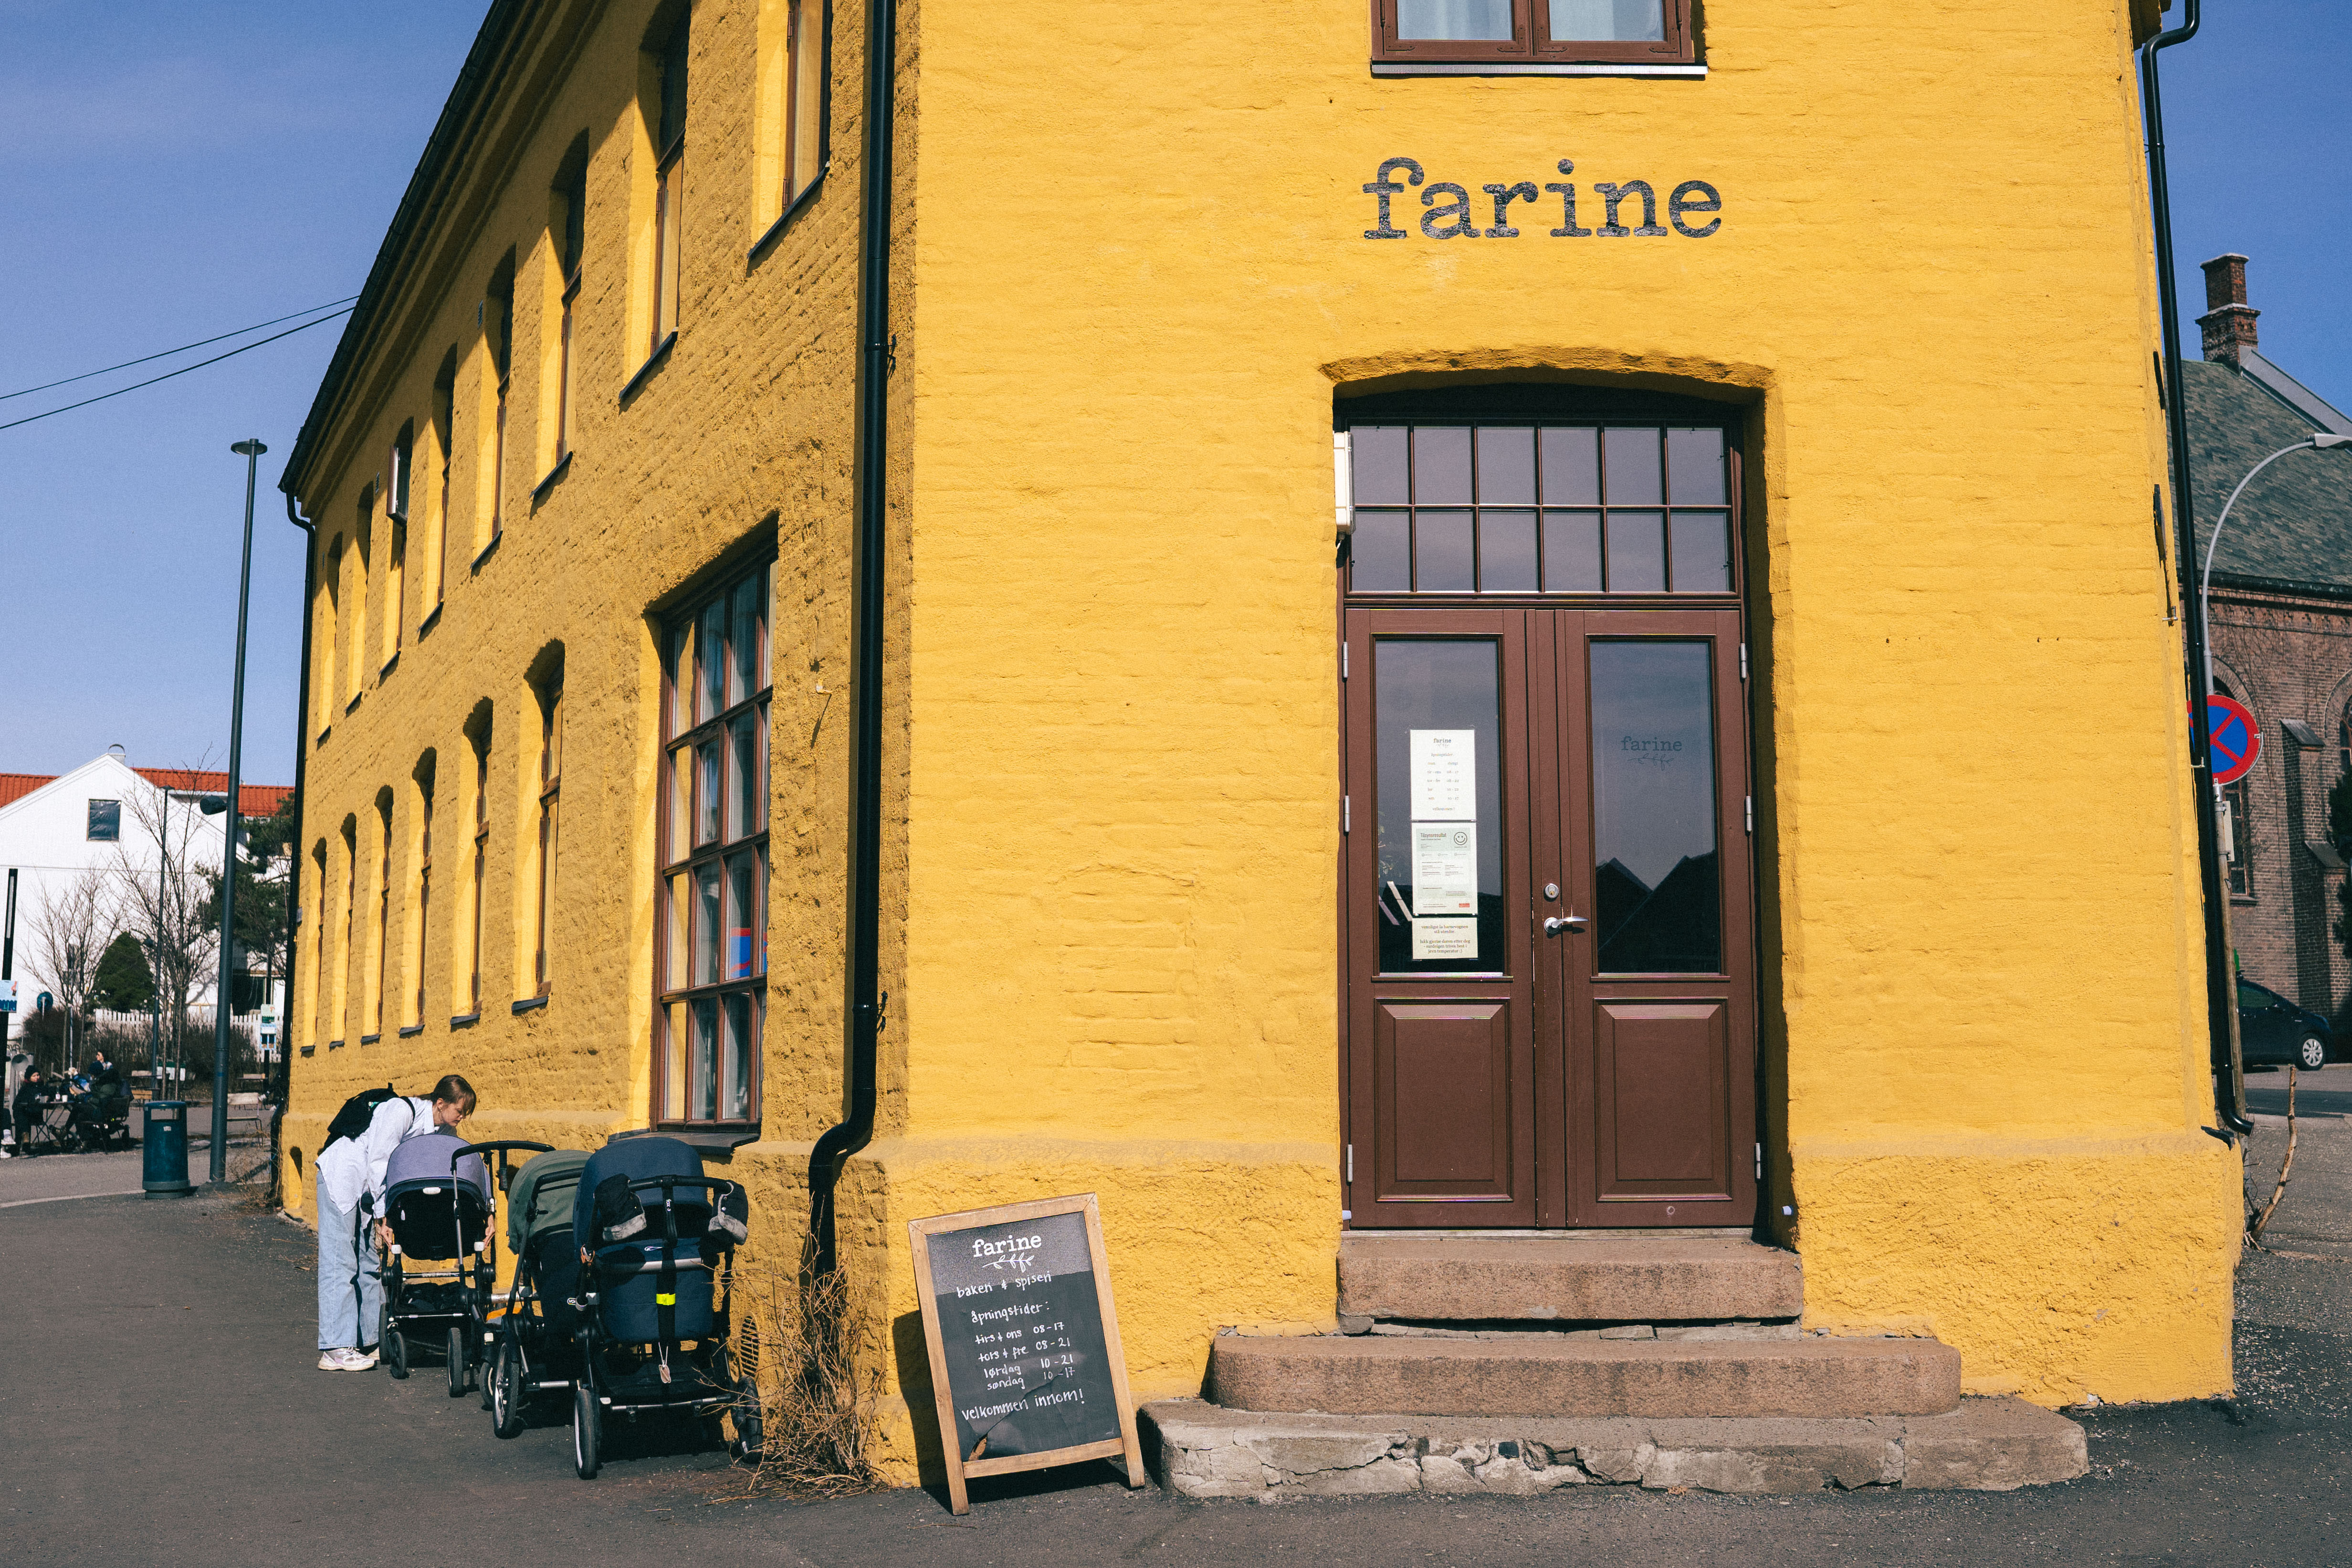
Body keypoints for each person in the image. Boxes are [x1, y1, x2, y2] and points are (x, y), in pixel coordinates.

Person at [309, 1074, 476, 1371]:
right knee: (341, 1262)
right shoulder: (400, 1111)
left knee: (371, 1264)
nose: (462, 1118)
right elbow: (379, 1162)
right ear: (440, 1103)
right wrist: (382, 1217)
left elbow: (453, 1160)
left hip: (368, 1192)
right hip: (343, 1178)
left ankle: (373, 1341)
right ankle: (334, 1348)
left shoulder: (441, 1129)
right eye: (460, 1111)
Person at [10, 1068, 47, 1157]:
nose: (37, 1078)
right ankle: (26, 1143)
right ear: (29, 1078)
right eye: (34, 1076)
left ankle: (18, 1145)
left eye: (38, 1075)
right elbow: (15, 1105)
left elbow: (49, 1102)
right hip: (25, 1114)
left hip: (36, 1115)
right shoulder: (25, 1089)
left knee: (21, 1118)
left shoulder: (43, 1087)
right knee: (21, 1114)